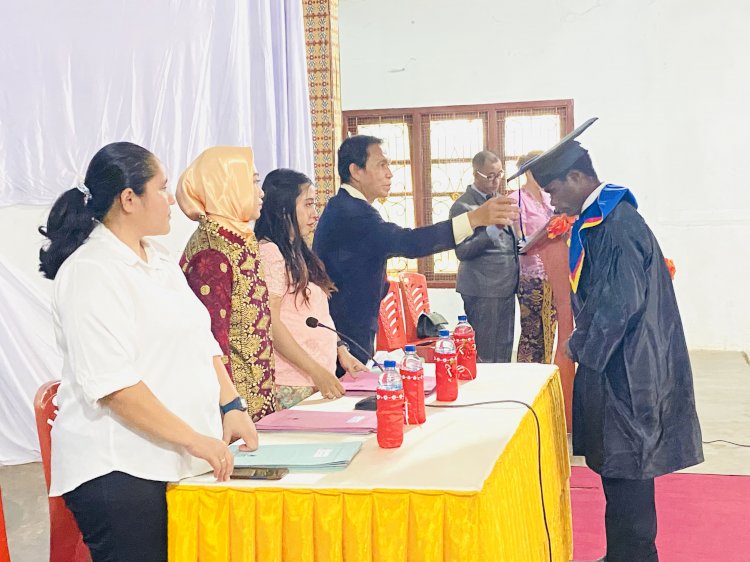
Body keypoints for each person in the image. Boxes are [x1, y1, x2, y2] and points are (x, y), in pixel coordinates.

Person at [39, 142, 258, 561]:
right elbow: (115, 387)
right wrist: (195, 439)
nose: (171, 198)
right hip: (119, 468)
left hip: (171, 457)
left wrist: (232, 404)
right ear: (128, 200)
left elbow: (201, 338)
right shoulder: (90, 272)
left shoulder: (156, 260)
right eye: (161, 188)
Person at [511, 118, 703, 562]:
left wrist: (578, 350)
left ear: (578, 178)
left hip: (628, 375)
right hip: (627, 367)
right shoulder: (608, 219)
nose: (554, 203)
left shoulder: (615, 225)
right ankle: (622, 555)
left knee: (630, 479)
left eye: (556, 191)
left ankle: (634, 556)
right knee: (620, 478)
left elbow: (618, 307)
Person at [313, 135, 520, 371]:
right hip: (345, 329)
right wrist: (474, 219)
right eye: (381, 165)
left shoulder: (349, 206)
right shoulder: (352, 212)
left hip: (350, 324)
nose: (390, 173)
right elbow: (408, 242)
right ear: (356, 171)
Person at [177, 146, 277, 421]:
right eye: (253, 181)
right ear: (226, 186)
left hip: (256, 400)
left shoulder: (237, 240)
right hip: (233, 412)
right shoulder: (212, 254)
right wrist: (232, 409)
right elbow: (211, 343)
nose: (261, 192)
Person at [254, 168, 368, 407]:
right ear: (283, 209)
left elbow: (315, 314)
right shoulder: (271, 254)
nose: (314, 214)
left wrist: (341, 351)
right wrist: (316, 371)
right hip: (293, 382)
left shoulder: (297, 252)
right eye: (307, 205)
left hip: (315, 377)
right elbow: (270, 323)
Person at [449, 150, 519, 363]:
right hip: (482, 288)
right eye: (490, 176)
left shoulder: (500, 200)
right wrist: (491, 230)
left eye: (499, 174)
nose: (496, 181)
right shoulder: (463, 206)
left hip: (506, 286)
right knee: (485, 353)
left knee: (504, 350)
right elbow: (462, 251)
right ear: (475, 174)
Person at [510, 150, 557, 363]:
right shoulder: (516, 199)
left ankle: (547, 372)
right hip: (532, 277)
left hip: (555, 273)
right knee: (533, 332)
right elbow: (519, 242)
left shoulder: (549, 197)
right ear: (528, 172)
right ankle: (526, 378)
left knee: (551, 329)